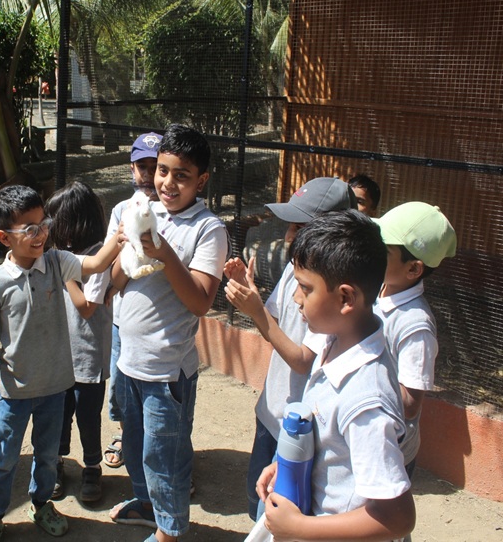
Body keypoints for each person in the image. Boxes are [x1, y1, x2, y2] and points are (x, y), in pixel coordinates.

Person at [0, 184, 123, 542]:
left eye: (44, 224)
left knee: (46, 455)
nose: (41, 234)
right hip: (15, 389)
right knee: (5, 457)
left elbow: (95, 264)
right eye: (30, 228)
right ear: (4, 237)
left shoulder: (57, 261)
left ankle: (41, 505)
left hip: (55, 388)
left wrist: (121, 236)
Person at [257, 210, 416, 541]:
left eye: (305, 288)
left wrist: (299, 527)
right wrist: (287, 466)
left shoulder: (365, 401)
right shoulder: (336, 340)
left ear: (345, 298)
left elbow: (397, 518)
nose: (296, 298)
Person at [108, 124, 229, 542]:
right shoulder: (143, 210)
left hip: (166, 371)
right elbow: (115, 282)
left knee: (165, 457)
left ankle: (170, 532)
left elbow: (199, 302)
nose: (168, 183)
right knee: (136, 447)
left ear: (202, 180)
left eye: (182, 175)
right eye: (163, 171)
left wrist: (163, 252)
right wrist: (125, 247)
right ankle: (147, 505)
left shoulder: (208, 229)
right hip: (128, 360)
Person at [223, 177, 356, 521]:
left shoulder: (330, 297)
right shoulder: (293, 268)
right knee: (257, 504)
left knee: (277, 514)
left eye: (299, 227)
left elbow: (301, 360)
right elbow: (274, 325)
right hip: (271, 411)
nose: (287, 236)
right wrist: (251, 294)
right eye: (290, 226)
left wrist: (255, 311)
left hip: (299, 427)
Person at [374, 202, 456, 474]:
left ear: (413, 269)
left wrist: (362, 379)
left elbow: (409, 404)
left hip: (388, 450)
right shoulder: (377, 288)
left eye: (384, 251)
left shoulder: (415, 326)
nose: (372, 252)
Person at [44, 181, 113, 504]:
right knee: (59, 414)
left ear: (72, 223)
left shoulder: (99, 255)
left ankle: (92, 467)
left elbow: (86, 308)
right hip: (60, 355)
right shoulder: (61, 255)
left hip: (88, 356)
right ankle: (57, 464)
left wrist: (67, 273)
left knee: (87, 417)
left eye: (54, 221)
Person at [104, 131, 162, 471]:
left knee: (162, 396)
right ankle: (127, 436)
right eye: (143, 167)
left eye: (156, 167)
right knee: (122, 389)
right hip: (123, 319)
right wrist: (128, 252)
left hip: (161, 319)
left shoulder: (169, 211)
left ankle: (170, 457)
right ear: (132, 169)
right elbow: (113, 271)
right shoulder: (121, 211)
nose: (149, 175)